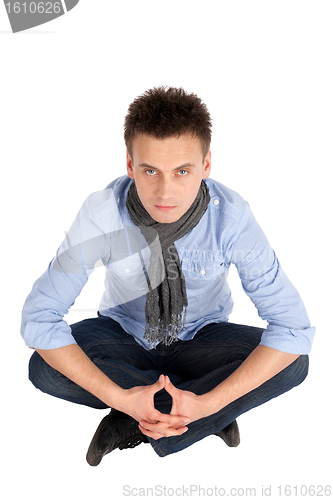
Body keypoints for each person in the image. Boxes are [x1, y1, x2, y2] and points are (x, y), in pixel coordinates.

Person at [21, 86, 315, 466]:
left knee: (294, 362)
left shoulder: (232, 217)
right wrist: (122, 397)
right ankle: (197, 418)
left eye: (182, 171)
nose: (165, 192)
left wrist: (209, 402)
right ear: (130, 165)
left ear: (206, 165)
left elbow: (293, 328)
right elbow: (39, 319)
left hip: (203, 338)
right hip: (123, 335)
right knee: (44, 369)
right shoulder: (102, 213)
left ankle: (164, 418)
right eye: (150, 171)